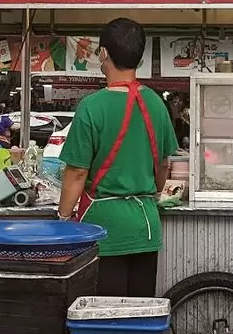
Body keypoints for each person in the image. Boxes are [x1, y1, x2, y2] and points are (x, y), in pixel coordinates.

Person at [57, 18, 178, 296]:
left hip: (102, 228)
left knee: (104, 317)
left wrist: (63, 218)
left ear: (103, 54)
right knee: (137, 315)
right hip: (145, 226)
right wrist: (153, 188)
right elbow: (163, 166)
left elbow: (76, 174)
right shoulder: (156, 103)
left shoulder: (92, 107)